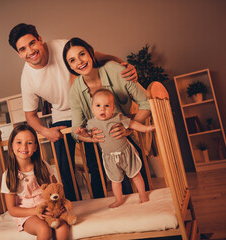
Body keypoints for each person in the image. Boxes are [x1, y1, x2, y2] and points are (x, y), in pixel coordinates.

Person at [8, 23, 138, 201]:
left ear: (40, 39)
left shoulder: (64, 47)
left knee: (98, 158)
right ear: (19, 54)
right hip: (61, 116)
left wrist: (124, 66)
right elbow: (30, 116)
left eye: (32, 43)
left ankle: (109, 199)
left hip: (88, 109)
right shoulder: (27, 79)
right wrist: (45, 131)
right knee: (64, 166)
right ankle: (73, 205)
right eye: (22, 49)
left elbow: (100, 58)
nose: (29, 51)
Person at [63, 37, 152, 194]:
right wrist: (91, 138)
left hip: (124, 130)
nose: (79, 62)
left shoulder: (115, 70)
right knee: (99, 169)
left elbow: (146, 103)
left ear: (91, 53)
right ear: (70, 66)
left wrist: (128, 129)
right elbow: (76, 130)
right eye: (72, 60)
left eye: (82, 54)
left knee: (140, 174)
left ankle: (146, 202)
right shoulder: (75, 90)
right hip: (101, 140)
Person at [75, 89, 155, 207]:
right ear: (93, 108)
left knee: (135, 175)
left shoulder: (118, 117)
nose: (102, 109)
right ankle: (119, 199)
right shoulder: (92, 123)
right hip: (109, 157)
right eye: (98, 105)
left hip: (125, 153)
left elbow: (133, 124)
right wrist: (81, 133)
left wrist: (146, 128)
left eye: (107, 106)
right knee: (115, 181)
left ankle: (142, 194)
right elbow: (88, 135)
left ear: (113, 108)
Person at [1, 124, 70, 240]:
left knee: (62, 227)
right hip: (28, 214)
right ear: (11, 145)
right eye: (19, 142)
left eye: (29, 143)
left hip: (49, 209)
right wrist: (35, 211)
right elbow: (12, 209)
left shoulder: (43, 166)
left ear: (35, 147)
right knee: (44, 229)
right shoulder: (9, 175)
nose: (24, 146)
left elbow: (56, 189)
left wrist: (60, 204)